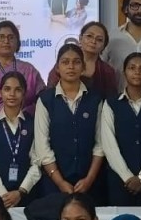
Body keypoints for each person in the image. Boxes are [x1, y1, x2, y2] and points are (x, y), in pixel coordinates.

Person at [34, 44, 107, 204]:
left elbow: (100, 144)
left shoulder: (96, 99)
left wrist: (89, 179)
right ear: (57, 68)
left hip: (90, 183)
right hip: (54, 183)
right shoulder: (45, 100)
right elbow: (42, 147)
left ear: (83, 67)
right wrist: (60, 182)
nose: (71, 66)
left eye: (76, 62)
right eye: (65, 62)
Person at [100, 52, 141, 207]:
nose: (137, 72)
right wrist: (128, 177)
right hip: (120, 181)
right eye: (132, 68)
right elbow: (109, 146)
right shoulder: (111, 104)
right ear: (124, 72)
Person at [0, 71, 41, 208]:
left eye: (18, 90)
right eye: (7, 89)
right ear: (0, 92)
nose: (12, 94)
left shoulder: (33, 123)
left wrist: (21, 192)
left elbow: (37, 163)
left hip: (27, 195)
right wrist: (4, 196)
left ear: (24, 94)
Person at [0, 20, 46, 119]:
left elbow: (43, 99)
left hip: (26, 124)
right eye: (1, 37)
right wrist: (2, 121)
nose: (6, 41)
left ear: (17, 43)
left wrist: (24, 117)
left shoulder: (29, 69)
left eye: (11, 37)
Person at [48, 21, 120, 100]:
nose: (93, 41)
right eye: (89, 36)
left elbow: (111, 100)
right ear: (80, 38)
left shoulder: (107, 71)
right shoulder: (64, 63)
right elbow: (50, 92)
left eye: (99, 39)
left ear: (104, 45)